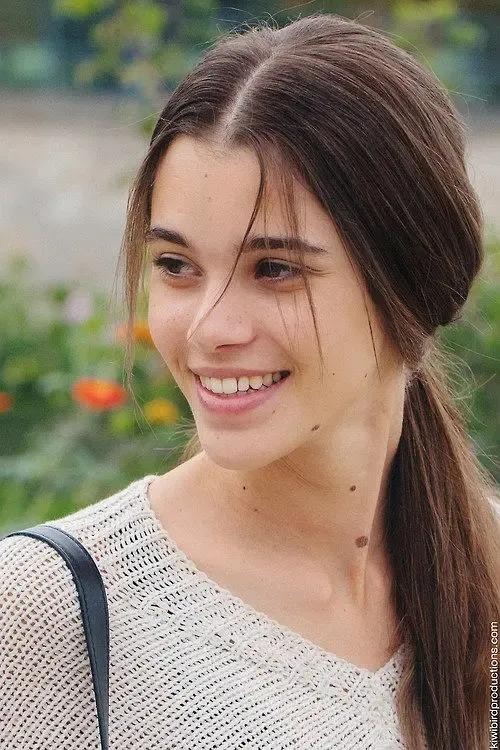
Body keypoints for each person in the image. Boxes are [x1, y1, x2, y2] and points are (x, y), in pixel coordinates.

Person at [1, 12, 499, 750]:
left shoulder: (485, 568)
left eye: (275, 269)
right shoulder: (50, 611)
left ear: (415, 279)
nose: (208, 329)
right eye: (176, 266)